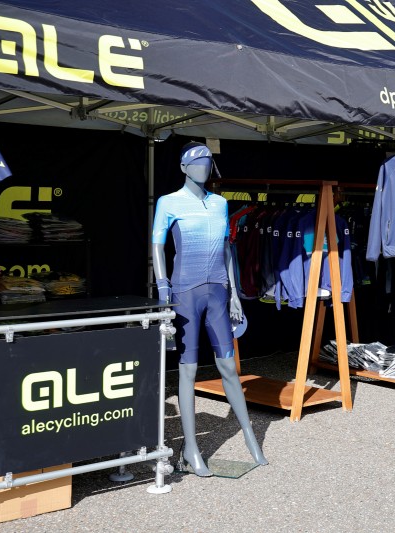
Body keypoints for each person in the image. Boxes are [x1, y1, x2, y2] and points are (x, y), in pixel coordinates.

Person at [151, 141, 267, 477]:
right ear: (184, 167)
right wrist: (163, 289)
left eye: (207, 161)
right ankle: (191, 447)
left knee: (229, 366)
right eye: (196, 161)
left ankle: (251, 437)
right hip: (185, 292)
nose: (203, 166)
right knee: (187, 370)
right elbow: (157, 246)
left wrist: (232, 293)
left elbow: (228, 250)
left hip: (218, 291)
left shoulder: (220, 204)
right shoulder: (169, 203)